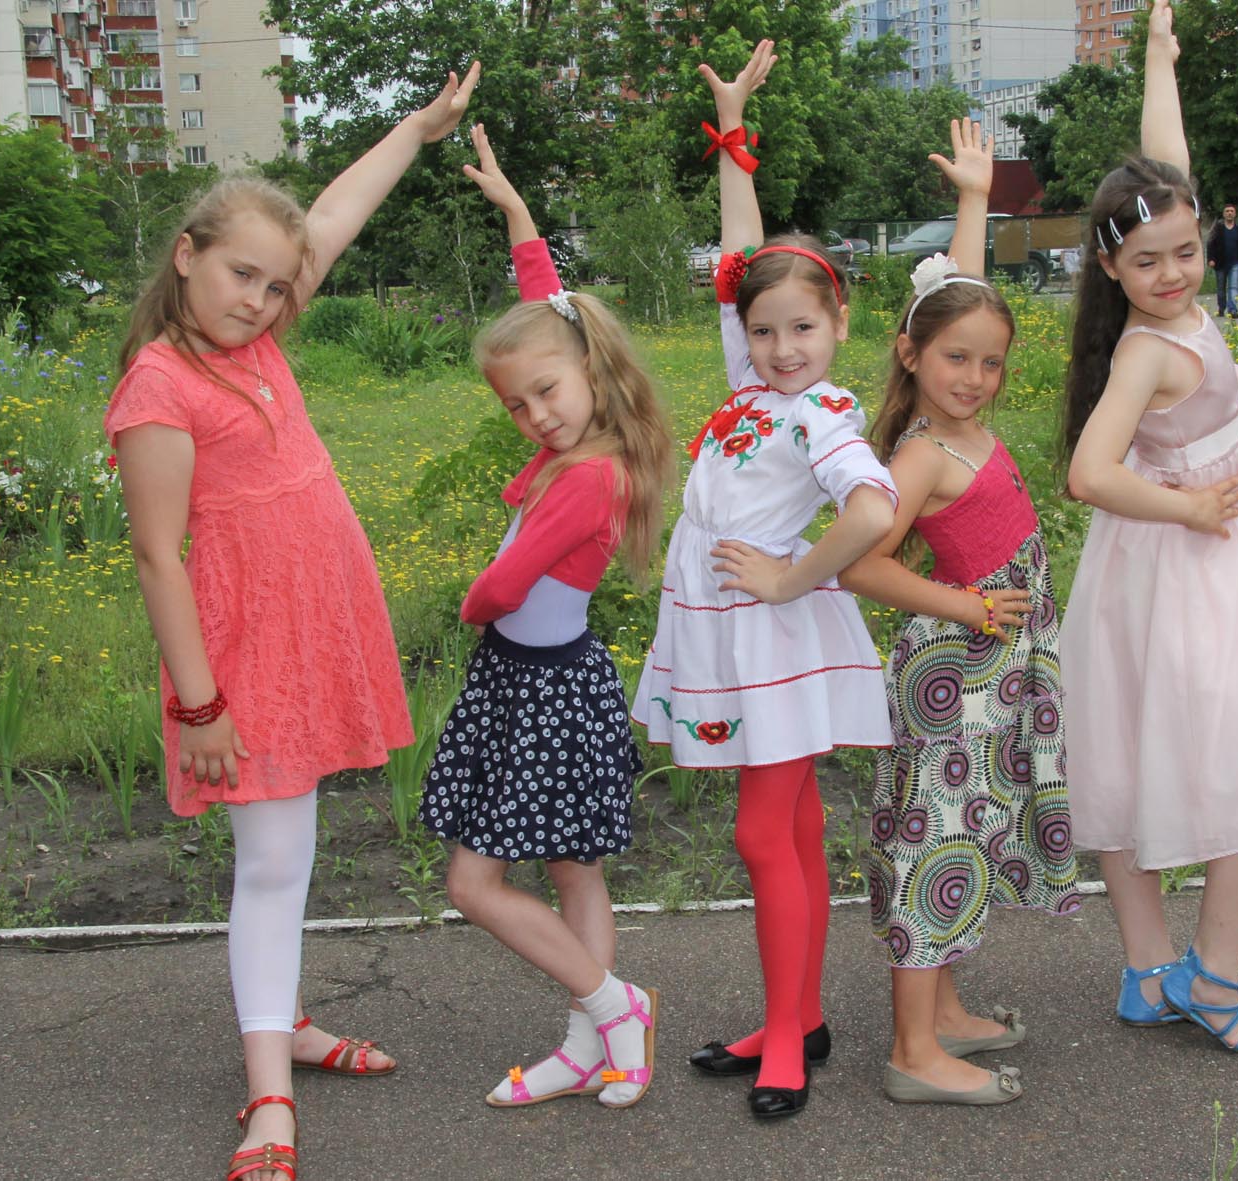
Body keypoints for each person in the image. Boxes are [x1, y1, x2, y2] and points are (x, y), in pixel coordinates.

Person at [105, 65, 480, 1181]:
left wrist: (416, 129)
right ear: (186, 255)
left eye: (276, 286)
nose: (261, 301)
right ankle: (268, 1096)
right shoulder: (160, 385)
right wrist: (200, 705)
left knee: (293, 852)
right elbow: (157, 556)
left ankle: (286, 1018)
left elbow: (331, 218)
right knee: (271, 862)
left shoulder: (254, 343)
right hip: (244, 656)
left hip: (313, 629)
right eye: (240, 276)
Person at [1057, 1, 1238, 1056]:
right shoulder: (1147, 347)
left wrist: (1157, 56)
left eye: (1184, 251)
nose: (1174, 272)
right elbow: (1087, 473)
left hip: (1199, 562)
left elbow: (1164, 161)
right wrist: (1187, 504)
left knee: (1140, 749)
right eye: (1148, 262)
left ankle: (1149, 971)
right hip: (1189, 563)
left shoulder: (1175, 289)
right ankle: (1213, 977)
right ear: (1111, 269)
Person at [632, 39, 898, 1119]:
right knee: (787, 830)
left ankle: (787, 1035)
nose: (783, 347)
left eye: (804, 329)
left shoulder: (821, 411)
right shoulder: (752, 386)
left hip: (771, 635)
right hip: (729, 632)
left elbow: (871, 511)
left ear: (839, 325)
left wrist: (792, 580)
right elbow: (742, 257)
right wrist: (734, 131)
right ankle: (800, 1013)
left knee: (761, 834)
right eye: (765, 330)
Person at [417, 124, 676, 1111]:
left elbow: (503, 585)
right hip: (546, 679)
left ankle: (616, 1007)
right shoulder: (584, 420)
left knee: (472, 883)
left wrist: (467, 602)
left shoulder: (586, 479)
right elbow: (548, 314)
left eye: (546, 394)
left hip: (540, 689)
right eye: (517, 407)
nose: (536, 415)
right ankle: (595, 1046)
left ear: (589, 373)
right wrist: (520, 216)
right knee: (574, 868)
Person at [841, 120, 1081, 1107]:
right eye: (955, 360)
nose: (975, 376)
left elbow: (959, 299)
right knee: (935, 840)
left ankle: (939, 1012)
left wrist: (975, 200)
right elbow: (860, 563)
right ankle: (912, 1050)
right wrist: (968, 604)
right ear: (910, 355)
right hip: (954, 673)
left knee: (966, 833)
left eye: (990, 362)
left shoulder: (959, 420)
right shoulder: (922, 452)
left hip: (990, 670)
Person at [1206, 202, 1238, 318]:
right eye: (1227, 211)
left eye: (1231, 211)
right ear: (1224, 214)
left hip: (1235, 263)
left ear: (1235, 214)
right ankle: (1221, 308)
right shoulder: (1218, 228)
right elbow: (1210, 244)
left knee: (1233, 287)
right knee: (1221, 288)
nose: (1229, 213)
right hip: (1220, 263)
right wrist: (1211, 259)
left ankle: (1232, 310)